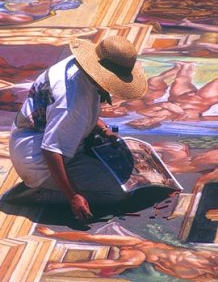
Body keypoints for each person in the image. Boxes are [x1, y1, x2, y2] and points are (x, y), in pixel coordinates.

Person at [9, 35, 147, 222]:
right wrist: (73, 196)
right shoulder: (73, 102)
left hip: (35, 138)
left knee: (119, 154)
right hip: (38, 160)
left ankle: (49, 184)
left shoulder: (75, 65)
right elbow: (51, 150)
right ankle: (39, 192)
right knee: (116, 193)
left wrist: (101, 127)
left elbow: (64, 117)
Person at [37, 226, 218, 281]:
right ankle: (54, 234)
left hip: (143, 257)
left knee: (126, 263)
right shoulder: (209, 255)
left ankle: (64, 265)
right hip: (141, 244)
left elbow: (165, 269)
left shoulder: (200, 276)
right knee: (93, 237)